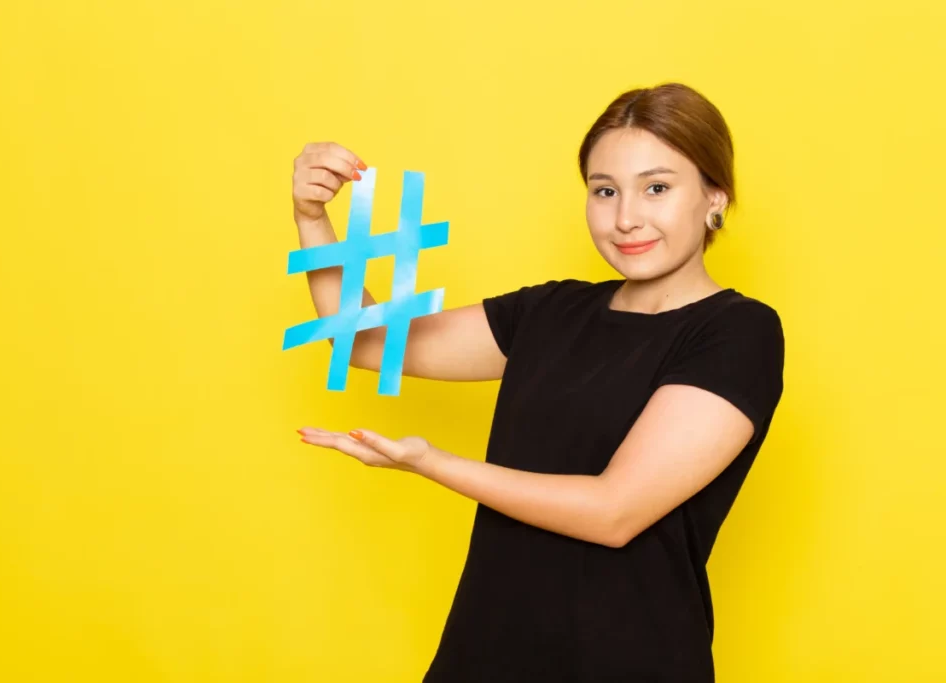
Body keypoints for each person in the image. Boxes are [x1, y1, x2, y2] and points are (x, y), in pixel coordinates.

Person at [290, 82, 785, 682]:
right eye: (605, 191)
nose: (626, 218)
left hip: (628, 662)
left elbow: (614, 512)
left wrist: (430, 461)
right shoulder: (550, 312)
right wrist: (313, 218)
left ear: (715, 197)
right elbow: (363, 341)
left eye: (656, 188)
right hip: (483, 655)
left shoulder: (738, 333)